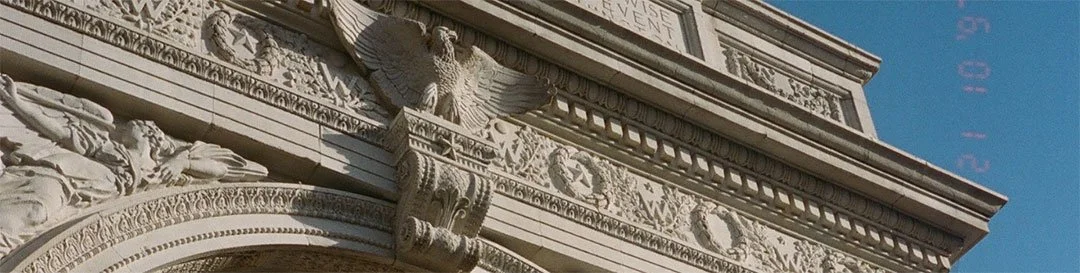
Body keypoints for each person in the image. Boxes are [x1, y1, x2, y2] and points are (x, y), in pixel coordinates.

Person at [0, 74, 267, 258]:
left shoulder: (160, 171)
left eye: (134, 128)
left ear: (151, 136)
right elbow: (57, 131)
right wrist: (16, 101)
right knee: (29, 213)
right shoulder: (105, 145)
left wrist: (182, 159)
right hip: (61, 178)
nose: (124, 129)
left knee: (34, 214)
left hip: (85, 194)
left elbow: (220, 170)